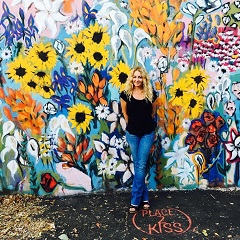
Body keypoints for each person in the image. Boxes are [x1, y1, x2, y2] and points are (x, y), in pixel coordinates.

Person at [120, 66, 157, 214]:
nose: (137, 79)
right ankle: (145, 197)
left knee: (140, 165)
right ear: (131, 78)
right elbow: (125, 114)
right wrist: (133, 125)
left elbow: (153, 113)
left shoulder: (150, 94)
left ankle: (135, 200)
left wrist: (144, 124)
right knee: (139, 165)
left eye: (140, 77)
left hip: (147, 133)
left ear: (144, 79)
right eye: (134, 77)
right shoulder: (125, 95)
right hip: (133, 134)